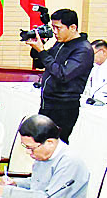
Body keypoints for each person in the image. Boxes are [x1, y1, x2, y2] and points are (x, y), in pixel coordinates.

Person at [0, 114, 91, 198]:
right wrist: (15, 183)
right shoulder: (43, 154)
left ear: (50, 142)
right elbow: (38, 182)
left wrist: (6, 192)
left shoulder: (70, 162)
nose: (28, 152)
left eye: (31, 148)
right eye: (25, 147)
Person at [26, 7, 94, 142]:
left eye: (58, 28)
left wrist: (42, 52)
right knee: (39, 141)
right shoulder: (60, 43)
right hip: (48, 102)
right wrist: (37, 48)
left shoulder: (83, 49)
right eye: (53, 27)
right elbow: (41, 63)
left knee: (54, 143)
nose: (55, 32)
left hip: (64, 106)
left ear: (73, 27)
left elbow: (63, 74)